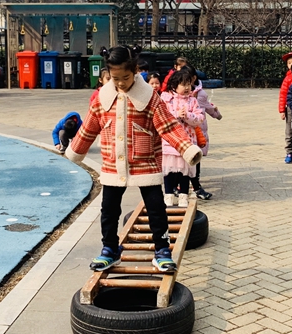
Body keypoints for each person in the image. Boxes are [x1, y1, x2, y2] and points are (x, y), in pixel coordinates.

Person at [66, 46, 201, 273]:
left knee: (156, 208)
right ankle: (110, 249)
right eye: (115, 78)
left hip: (145, 162)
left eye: (126, 78)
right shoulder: (102, 99)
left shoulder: (149, 98)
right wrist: (75, 152)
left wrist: (188, 149)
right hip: (112, 164)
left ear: (136, 70)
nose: (121, 83)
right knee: (109, 210)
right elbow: (89, 127)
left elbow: (168, 127)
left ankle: (162, 250)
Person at [160, 70, 204, 208]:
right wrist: (177, 114)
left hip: (187, 142)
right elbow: (162, 117)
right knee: (169, 170)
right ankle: (168, 195)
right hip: (170, 142)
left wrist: (188, 116)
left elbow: (200, 118)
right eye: (183, 84)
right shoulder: (166, 99)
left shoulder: (193, 100)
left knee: (185, 171)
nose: (187, 88)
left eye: (189, 84)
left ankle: (183, 196)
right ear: (174, 85)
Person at [189, 69, 222, 200]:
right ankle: (178, 188)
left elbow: (207, 107)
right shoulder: (173, 96)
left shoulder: (199, 94)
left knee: (195, 158)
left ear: (193, 78)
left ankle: (196, 186)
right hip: (182, 135)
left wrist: (217, 114)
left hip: (197, 132)